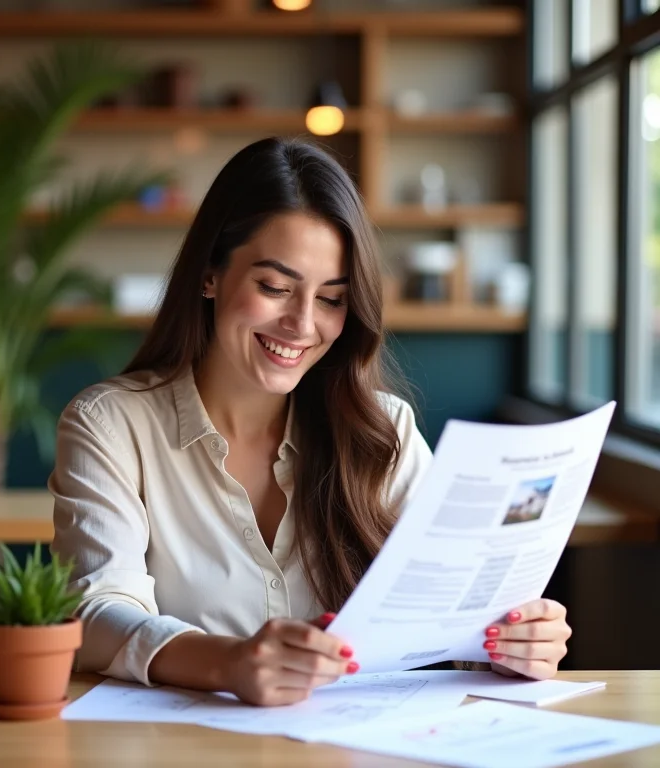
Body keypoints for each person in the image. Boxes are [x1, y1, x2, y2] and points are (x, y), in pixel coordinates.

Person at [49, 137, 571, 707]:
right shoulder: (111, 425)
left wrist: (513, 641)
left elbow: (457, 613)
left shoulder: (383, 432)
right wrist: (230, 662)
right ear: (209, 275)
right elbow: (97, 613)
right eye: (275, 287)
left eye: (332, 299)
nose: (302, 324)